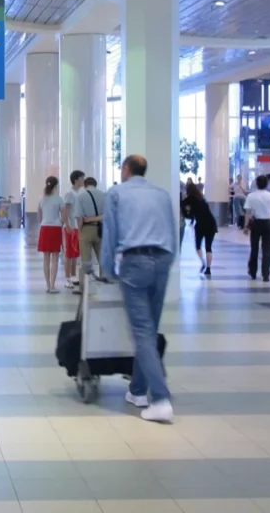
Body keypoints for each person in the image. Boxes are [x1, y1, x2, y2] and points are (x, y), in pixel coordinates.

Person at [100, 154, 177, 424]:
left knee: (142, 332)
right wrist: (169, 261)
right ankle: (137, 391)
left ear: (126, 169)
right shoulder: (162, 194)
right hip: (163, 259)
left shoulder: (117, 193)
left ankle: (160, 398)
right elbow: (173, 230)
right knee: (150, 330)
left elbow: (110, 233)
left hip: (135, 262)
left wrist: (107, 270)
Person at [244, 175, 270, 282]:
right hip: (267, 222)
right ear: (267, 184)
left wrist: (246, 226)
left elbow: (248, 213)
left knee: (254, 248)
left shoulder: (251, 196)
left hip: (256, 223)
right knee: (267, 249)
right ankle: (266, 274)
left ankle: (253, 271)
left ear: (256, 183)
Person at [37, 176, 65, 293]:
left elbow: (39, 217)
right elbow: (64, 216)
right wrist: (60, 223)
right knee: (55, 259)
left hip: (44, 229)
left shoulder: (41, 200)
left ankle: (47, 285)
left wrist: (44, 223)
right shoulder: (59, 199)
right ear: (56, 186)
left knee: (46, 258)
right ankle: (53, 285)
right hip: (55, 229)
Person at [182, 182, 216, 277]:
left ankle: (203, 262)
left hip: (201, 224)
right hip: (211, 224)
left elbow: (187, 212)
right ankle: (208, 269)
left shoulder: (188, 200)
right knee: (208, 247)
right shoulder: (201, 198)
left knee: (198, 246)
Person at [76, 176, 105, 280]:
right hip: (101, 230)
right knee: (103, 259)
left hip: (86, 230)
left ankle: (85, 287)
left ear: (85, 185)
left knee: (86, 261)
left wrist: (80, 231)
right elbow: (107, 215)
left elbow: (79, 217)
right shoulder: (104, 195)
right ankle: (103, 282)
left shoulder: (81, 196)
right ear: (95, 184)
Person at [62, 170, 85, 292]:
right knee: (69, 254)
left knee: (75, 253)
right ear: (76, 179)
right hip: (70, 226)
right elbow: (65, 210)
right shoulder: (69, 193)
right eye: (82, 178)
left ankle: (73, 275)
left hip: (77, 227)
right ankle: (67, 278)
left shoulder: (79, 193)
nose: (83, 180)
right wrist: (67, 225)